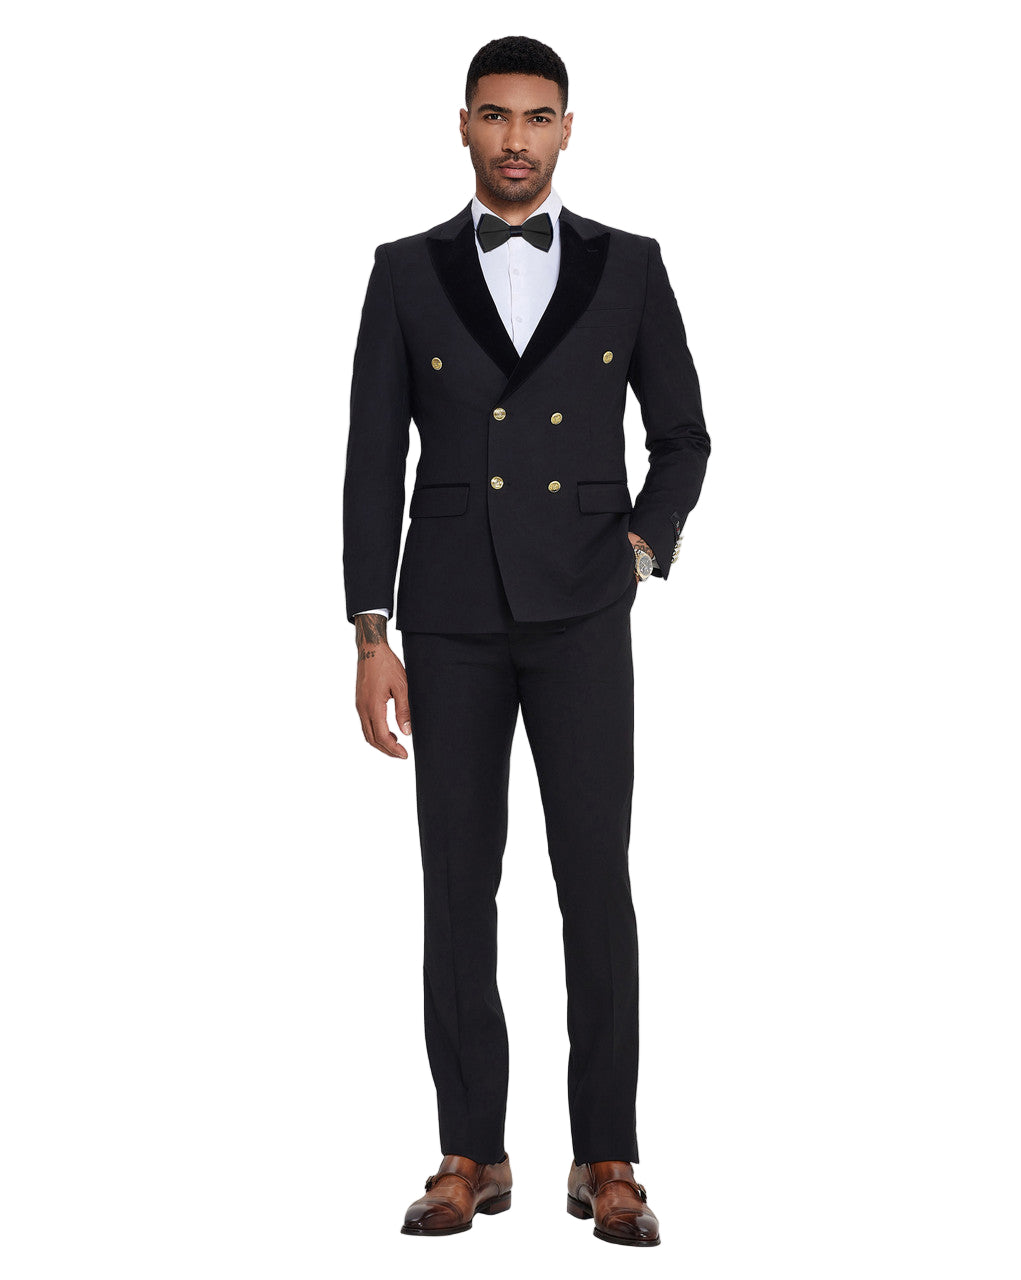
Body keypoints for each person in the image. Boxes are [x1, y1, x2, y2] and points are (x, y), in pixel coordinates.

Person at [342, 34, 711, 1247]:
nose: (515, 139)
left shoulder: (630, 265)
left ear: (566, 128)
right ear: (463, 125)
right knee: (459, 884)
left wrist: (640, 548)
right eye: (494, 116)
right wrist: (369, 629)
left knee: (594, 882)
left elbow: (683, 436)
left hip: (582, 612)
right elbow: (371, 460)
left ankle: (608, 1153)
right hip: (447, 616)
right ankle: (471, 1150)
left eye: (536, 117)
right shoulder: (404, 272)